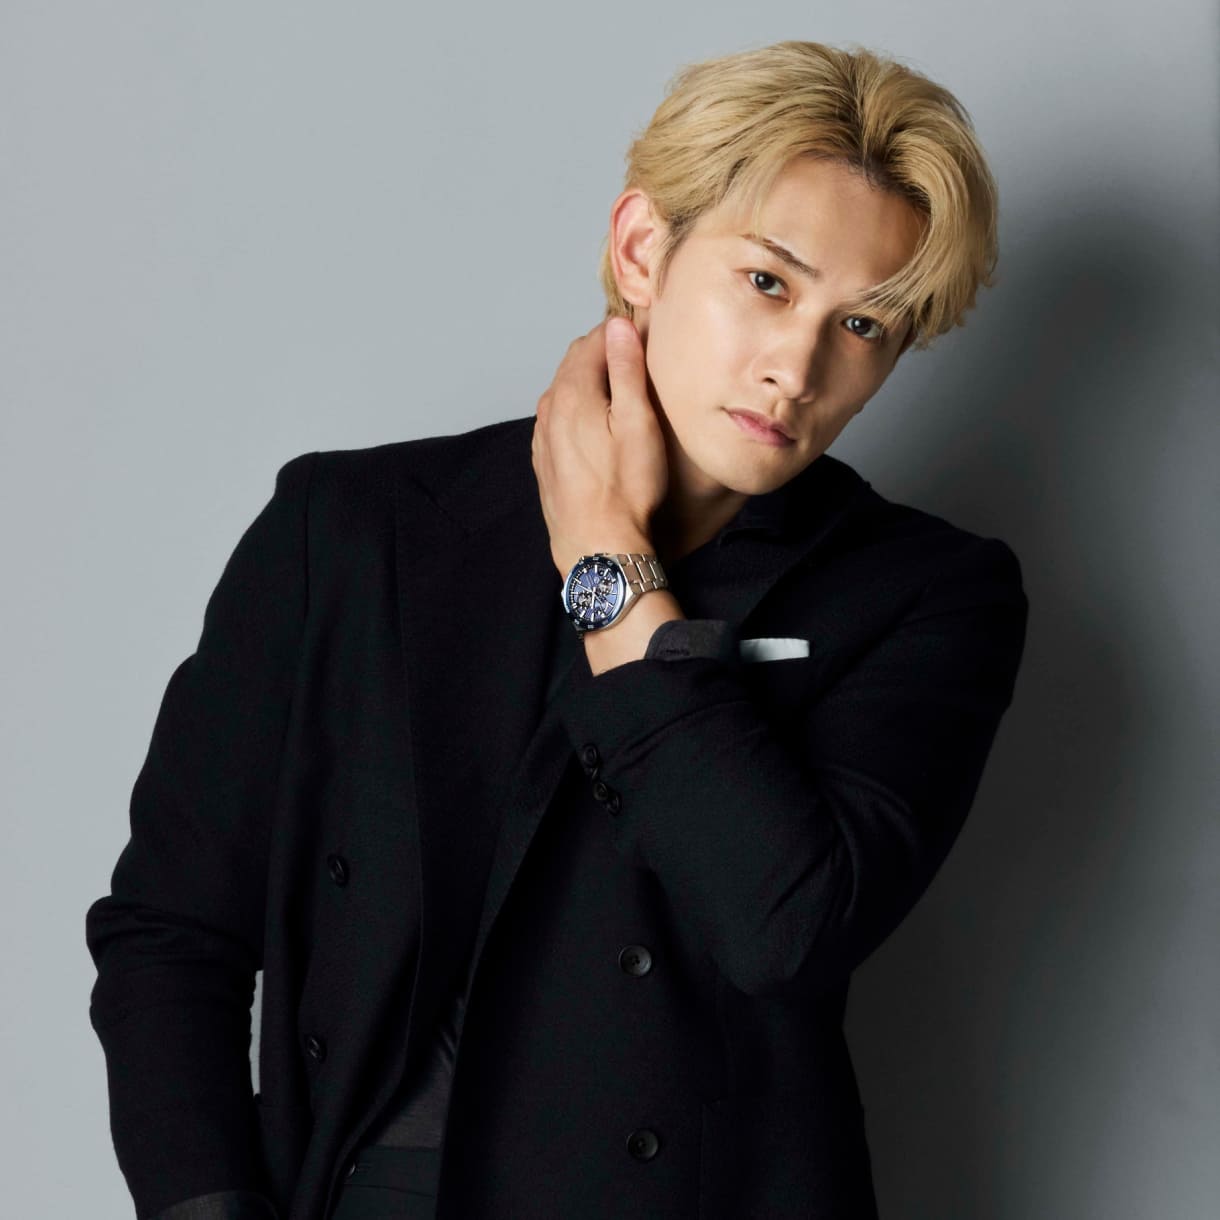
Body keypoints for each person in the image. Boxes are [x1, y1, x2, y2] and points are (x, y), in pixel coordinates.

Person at [86, 38, 1029, 1220]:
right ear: (642, 250)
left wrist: (604, 561)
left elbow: (781, 927)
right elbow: (171, 928)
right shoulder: (356, 529)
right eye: (767, 282)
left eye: (864, 326)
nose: (796, 366)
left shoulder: (923, 594)